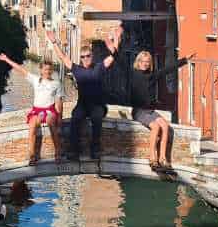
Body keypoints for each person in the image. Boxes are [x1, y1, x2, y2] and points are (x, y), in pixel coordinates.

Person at [106, 27, 193, 171]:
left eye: (148, 61)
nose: (145, 64)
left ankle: (163, 159)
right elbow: (120, 62)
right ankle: (151, 157)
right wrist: (113, 49)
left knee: (165, 126)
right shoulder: (132, 74)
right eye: (143, 61)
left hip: (150, 111)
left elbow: (167, 69)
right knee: (156, 127)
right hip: (139, 112)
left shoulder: (152, 75)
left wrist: (184, 60)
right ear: (138, 62)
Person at [45, 29, 115, 159]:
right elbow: (63, 57)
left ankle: (95, 149)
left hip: (97, 105)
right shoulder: (77, 69)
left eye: (88, 56)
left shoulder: (99, 67)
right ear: (81, 58)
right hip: (82, 105)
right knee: (76, 117)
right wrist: (54, 42)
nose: (86, 59)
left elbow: (113, 57)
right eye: (83, 57)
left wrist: (113, 46)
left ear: (92, 56)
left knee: (97, 118)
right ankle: (74, 150)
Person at [0, 52, 62, 165]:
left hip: (50, 110)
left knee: (51, 122)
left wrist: (60, 119)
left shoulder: (56, 83)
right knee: (32, 125)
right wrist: (6, 59)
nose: (48, 72)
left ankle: (58, 152)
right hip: (37, 110)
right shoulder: (35, 80)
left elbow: (59, 103)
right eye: (45, 69)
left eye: (50, 70)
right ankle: (32, 155)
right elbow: (20, 69)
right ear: (41, 70)